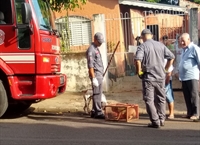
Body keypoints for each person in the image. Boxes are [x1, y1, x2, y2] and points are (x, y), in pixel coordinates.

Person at [134, 29, 175, 128]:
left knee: (149, 100)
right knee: (161, 98)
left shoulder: (142, 46)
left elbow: (138, 60)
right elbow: (172, 57)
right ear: (151, 36)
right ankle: (161, 119)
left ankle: (155, 121)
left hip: (149, 77)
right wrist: (165, 69)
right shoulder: (160, 45)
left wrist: (139, 71)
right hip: (160, 76)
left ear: (143, 36)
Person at [178, 33, 200, 121]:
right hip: (184, 77)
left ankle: (196, 113)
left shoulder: (194, 48)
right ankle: (189, 112)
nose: (182, 43)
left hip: (192, 76)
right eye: (180, 41)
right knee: (187, 95)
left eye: (183, 41)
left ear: (188, 39)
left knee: (194, 95)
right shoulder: (184, 50)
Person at [86, 32, 105, 119]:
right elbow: (90, 65)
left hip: (99, 74)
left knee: (98, 93)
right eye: (99, 42)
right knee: (97, 93)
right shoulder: (91, 50)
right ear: (95, 40)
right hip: (96, 74)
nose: (101, 43)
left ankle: (94, 111)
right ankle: (98, 112)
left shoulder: (96, 48)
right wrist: (93, 78)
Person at [162, 36, 175, 119]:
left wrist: (167, 78)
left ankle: (171, 113)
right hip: (160, 79)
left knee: (168, 96)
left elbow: (170, 69)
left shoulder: (166, 57)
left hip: (166, 78)